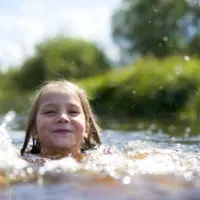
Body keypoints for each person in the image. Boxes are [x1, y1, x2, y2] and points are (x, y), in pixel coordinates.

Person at [20, 80, 102, 161]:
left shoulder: (101, 162)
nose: (63, 118)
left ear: (86, 129)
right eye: (50, 112)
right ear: (34, 130)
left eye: (73, 112)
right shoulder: (21, 163)